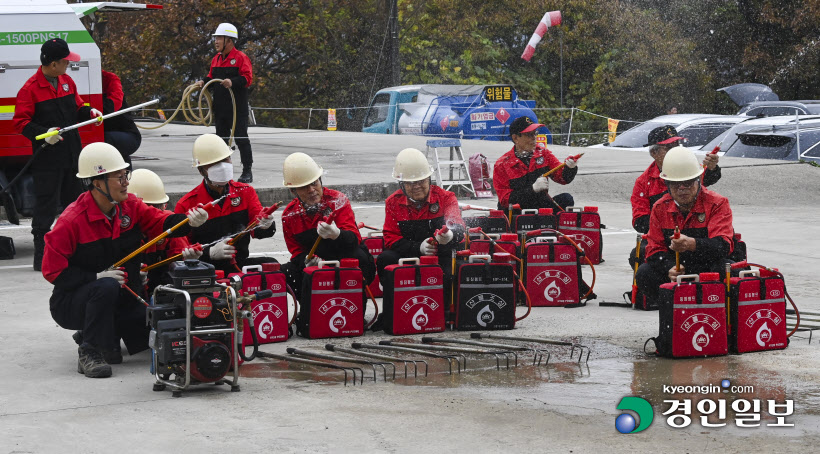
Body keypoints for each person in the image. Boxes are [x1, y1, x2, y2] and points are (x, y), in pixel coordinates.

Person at [42, 143, 209, 378]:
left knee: (153, 327)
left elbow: (161, 221)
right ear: (98, 182)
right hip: (73, 303)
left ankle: (102, 333)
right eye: (119, 177)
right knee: (107, 286)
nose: (126, 182)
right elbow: (52, 271)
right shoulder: (71, 221)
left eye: (125, 175)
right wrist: (96, 278)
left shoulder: (130, 206)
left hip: (124, 298)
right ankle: (88, 350)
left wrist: (189, 221)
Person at [13, 38, 102, 271]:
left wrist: (89, 112)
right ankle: (41, 256)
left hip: (73, 156)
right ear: (53, 64)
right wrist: (43, 134)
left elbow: (77, 106)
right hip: (47, 160)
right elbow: (20, 123)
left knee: (76, 204)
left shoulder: (66, 82)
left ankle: (77, 251)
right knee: (46, 206)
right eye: (65, 61)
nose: (68, 65)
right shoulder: (30, 89)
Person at [635, 146, 734, 302]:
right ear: (667, 185)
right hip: (678, 268)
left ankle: (721, 313)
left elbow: (723, 246)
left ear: (698, 181)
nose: (682, 189)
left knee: (730, 270)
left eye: (687, 183)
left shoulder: (717, 203)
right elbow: (653, 250)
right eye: (676, 184)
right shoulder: (660, 208)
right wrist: (669, 268)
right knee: (645, 273)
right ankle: (672, 311)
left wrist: (692, 244)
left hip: (710, 266)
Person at [174, 134, 276, 275]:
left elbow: (258, 231)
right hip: (203, 270)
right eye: (214, 163)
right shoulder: (187, 204)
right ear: (201, 170)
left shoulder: (245, 192)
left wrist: (266, 224)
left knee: (273, 267)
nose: (222, 166)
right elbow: (180, 251)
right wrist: (209, 253)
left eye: (225, 159)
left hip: (238, 264)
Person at [279, 153, 375, 297]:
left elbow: (355, 240)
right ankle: (308, 313)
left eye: (314, 183)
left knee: (358, 258)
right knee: (286, 272)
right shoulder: (289, 215)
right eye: (304, 187)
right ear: (293, 191)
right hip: (316, 261)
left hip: (344, 255)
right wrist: (306, 261)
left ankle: (356, 308)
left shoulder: (338, 200)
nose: (312, 190)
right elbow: (296, 251)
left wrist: (337, 234)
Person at [378, 148, 465, 282]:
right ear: (401, 184)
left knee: (450, 274)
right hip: (409, 254)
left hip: (442, 254)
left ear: (429, 179)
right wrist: (418, 248)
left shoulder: (446, 198)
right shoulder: (392, 203)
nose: (417, 186)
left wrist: (450, 235)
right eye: (410, 183)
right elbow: (390, 238)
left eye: (421, 181)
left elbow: (458, 226)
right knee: (386, 259)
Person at [631, 125, 721, 234]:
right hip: (663, 235)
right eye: (669, 147)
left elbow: (709, 177)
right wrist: (670, 224)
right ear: (654, 153)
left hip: (695, 230)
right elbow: (640, 222)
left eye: (677, 145)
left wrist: (712, 166)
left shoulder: (690, 167)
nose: (676, 150)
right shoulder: (643, 182)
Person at [196, 23, 254, 183]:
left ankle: (247, 171)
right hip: (220, 108)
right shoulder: (216, 59)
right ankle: (221, 172)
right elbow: (211, 77)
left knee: (241, 138)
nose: (216, 41)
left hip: (237, 109)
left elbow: (247, 78)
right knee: (221, 140)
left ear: (229, 40)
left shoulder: (241, 58)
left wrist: (232, 82)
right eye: (215, 38)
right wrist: (203, 82)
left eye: (219, 38)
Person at [127, 168, 201, 292]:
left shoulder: (171, 229)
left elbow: (179, 271)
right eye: (150, 209)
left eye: (159, 207)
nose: (155, 213)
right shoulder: (122, 231)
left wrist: (187, 262)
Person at [493, 116, 578, 212]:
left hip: (540, 206)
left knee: (566, 199)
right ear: (515, 138)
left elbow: (562, 178)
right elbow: (505, 200)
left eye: (535, 133)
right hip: (516, 210)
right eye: (529, 134)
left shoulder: (543, 154)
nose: (534, 138)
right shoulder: (502, 164)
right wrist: (532, 189)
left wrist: (570, 168)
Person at [102, 70, 141, 166]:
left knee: (99, 141)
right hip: (110, 133)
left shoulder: (110, 79)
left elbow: (115, 103)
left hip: (127, 134)